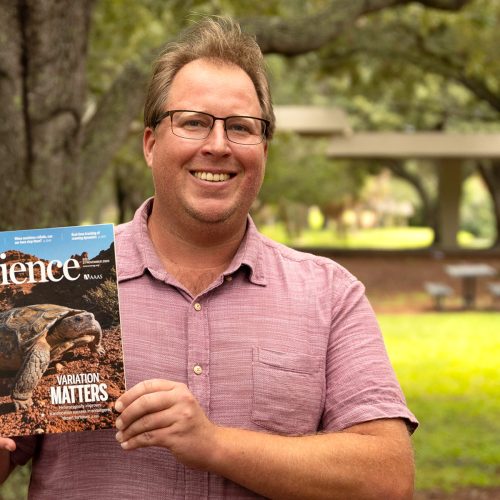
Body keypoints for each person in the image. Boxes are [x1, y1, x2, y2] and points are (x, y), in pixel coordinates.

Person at [0, 17, 418, 499]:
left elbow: (388, 479)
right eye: (193, 122)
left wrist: (213, 444)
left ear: (263, 149)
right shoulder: (57, 276)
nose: (217, 146)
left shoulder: (329, 293)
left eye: (241, 128)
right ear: (151, 143)